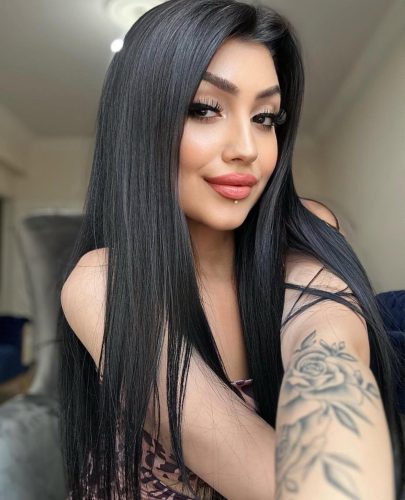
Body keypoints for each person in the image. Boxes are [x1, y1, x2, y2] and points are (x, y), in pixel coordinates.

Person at [58, 0, 405, 498]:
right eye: (204, 109)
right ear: (138, 123)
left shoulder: (304, 238)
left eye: (266, 117)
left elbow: (327, 343)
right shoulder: (103, 282)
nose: (247, 148)